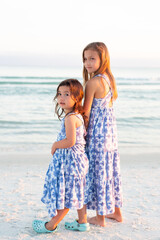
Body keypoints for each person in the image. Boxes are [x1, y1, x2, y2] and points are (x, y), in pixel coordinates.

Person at [32, 79, 90, 233]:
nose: (61, 98)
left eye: (67, 94)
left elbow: (70, 141)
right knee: (78, 191)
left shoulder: (71, 118)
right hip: (76, 161)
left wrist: (55, 145)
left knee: (69, 194)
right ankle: (83, 222)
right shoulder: (75, 115)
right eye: (59, 94)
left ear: (76, 98)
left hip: (71, 162)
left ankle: (51, 225)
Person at [82, 42, 123, 227]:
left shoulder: (93, 82)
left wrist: (80, 133)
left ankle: (99, 218)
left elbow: (86, 113)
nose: (87, 63)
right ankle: (116, 212)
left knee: (98, 173)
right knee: (110, 172)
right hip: (110, 136)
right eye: (85, 59)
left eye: (92, 58)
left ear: (102, 59)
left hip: (98, 136)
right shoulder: (108, 79)